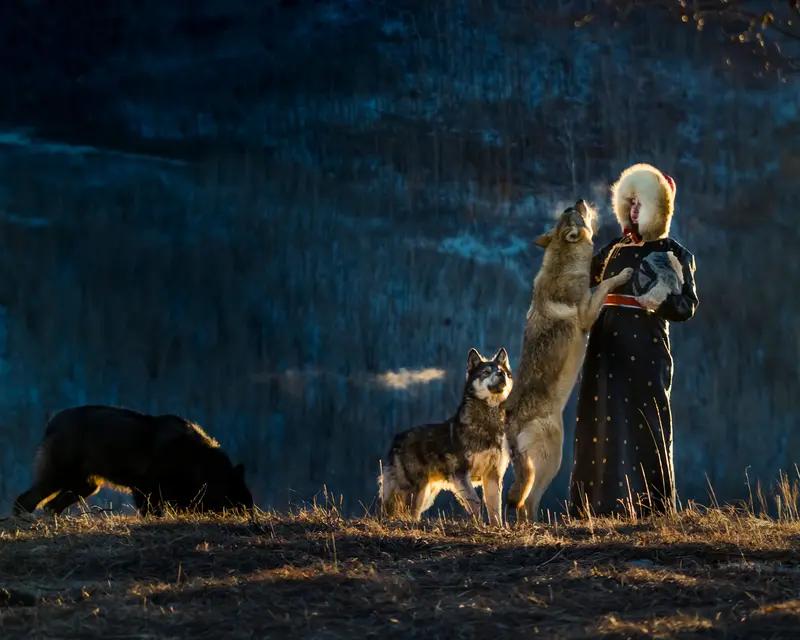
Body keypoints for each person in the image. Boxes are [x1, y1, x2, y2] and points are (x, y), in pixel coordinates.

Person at [569, 163, 698, 516]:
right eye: (632, 202)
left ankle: (649, 513)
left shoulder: (674, 253)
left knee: (646, 428)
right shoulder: (612, 249)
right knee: (598, 424)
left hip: (645, 351)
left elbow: (686, 307)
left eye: (643, 203)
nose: (635, 210)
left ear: (660, 206)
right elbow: (580, 280)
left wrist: (660, 297)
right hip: (603, 350)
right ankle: (590, 515)